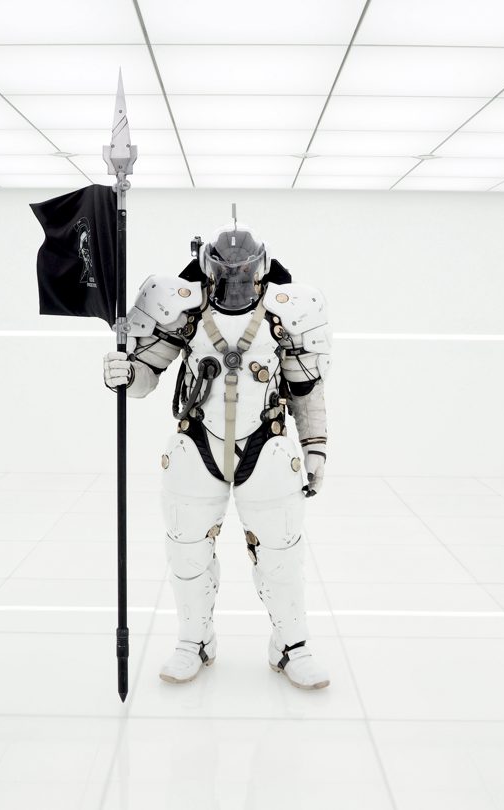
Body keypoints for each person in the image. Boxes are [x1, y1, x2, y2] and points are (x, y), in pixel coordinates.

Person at [103, 221, 331, 690]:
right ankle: (195, 639)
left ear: (260, 269)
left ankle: (292, 644)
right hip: (197, 443)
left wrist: (316, 446)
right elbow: (145, 378)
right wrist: (124, 373)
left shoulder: (288, 311)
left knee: (281, 553)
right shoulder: (182, 309)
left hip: (266, 443)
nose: (235, 282)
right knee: (186, 549)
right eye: (227, 274)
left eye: (243, 273)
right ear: (208, 269)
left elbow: (306, 387)